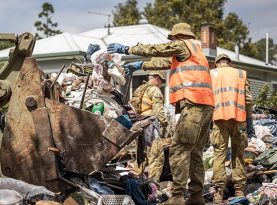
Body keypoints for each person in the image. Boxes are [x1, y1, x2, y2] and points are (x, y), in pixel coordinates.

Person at [107, 22, 214, 205]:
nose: (172, 41)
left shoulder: (182, 44)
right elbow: (164, 62)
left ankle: (178, 196)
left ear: (178, 36)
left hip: (194, 103)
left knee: (179, 149)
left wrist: (127, 49)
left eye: (173, 38)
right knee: (195, 151)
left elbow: (159, 49)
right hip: (206, 106)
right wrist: (141, 65)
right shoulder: (195, 51)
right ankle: (196, 196)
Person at [209, 54, 254, 203]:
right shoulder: (240, 73)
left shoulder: (212, 74)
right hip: (238, 119)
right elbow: (248, 99)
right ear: (229, 63)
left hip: (219, 119)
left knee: (219, 155)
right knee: (238, 154)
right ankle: (240, 190)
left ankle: (218, 193)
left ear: (217, 64)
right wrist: (249, 120)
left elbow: (207, 98)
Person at [130, 71, 170, 182]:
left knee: (142, 156)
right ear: (157, 78)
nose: (161, 84)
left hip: (140, 125)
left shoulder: (142, 89)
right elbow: (158, 110)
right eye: (162, 81)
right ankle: (153, 184)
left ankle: (136, 179)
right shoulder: (155, 90)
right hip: (151, 125)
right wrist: (165, 124)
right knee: (157, 156)